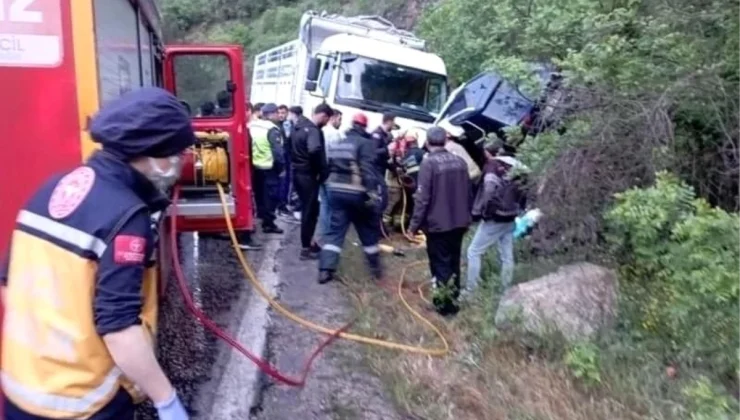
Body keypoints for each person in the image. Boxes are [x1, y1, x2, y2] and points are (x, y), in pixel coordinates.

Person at [0, 87, 192, 420]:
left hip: (20, 388)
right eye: (177, 152)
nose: (181, 160)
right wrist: (166, 400)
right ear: (150, 151)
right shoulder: (126, 215)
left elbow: (8, 281)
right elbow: (118, 329)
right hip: (83, 402)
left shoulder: (54, 185)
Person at [408, 126, 472, 316]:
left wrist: (414, 225)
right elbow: (469, 193)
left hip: (438, 224)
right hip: (459, 222)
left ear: (427, 143)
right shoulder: (460, 162)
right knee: (453, 262)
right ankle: (452, 301)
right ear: (445, 141)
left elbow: (423, 198)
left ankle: (444, 307)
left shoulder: (429, 164)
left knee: (440, 264)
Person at [318, 112, 382, 284]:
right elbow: (368, 170)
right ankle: (375, 270)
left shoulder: (340, 142)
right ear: (363, 127)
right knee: (367, 229)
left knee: (335, 231)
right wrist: (372, 193)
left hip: (335, 191)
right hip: (355, 192)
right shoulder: (366, 143)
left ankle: (325, 270)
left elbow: (330, 165)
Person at [466, 143, 528, 294]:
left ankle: (470, 291)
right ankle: (505, 288)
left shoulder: (493, 166)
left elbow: (489, 188)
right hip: (511, 216)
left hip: (496, 217)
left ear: (488, 153)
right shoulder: (519, 166)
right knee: (506, 255)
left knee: (473, 252)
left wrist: (486, 211)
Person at [291, 103, 332, 259]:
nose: (326, 123)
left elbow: (289, 147)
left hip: (297, 173)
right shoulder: (313, 131)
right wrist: (322, 170)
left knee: (309, 209)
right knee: (310, 212)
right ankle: (306, 248)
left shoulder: (298, 127)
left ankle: (310, 243)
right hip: (308, 175)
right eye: (326, 120)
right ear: (323, 115)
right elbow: (314, 149)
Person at [249, 103, 285, 234]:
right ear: (271, 114)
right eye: (276, 113)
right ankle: (268, 223)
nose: (278, 115)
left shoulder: (253, 125)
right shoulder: (272, 129)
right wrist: (281, 168)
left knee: (259, 195)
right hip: (269, 167)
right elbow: (278, 152)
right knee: (271, 197)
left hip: (255, 166)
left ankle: (260, 217)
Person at [316, 108, 344, 244]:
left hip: (321, 173)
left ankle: (321, 236)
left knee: (324, 205)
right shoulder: (335, 134)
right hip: (332, 174)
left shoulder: (321, 131)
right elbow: (338, 156)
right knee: (331, 207)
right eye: (340, 119)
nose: (340, 123)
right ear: (334, 118)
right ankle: (328, 237)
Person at [370, 113, 399, 219]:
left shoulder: (384, 135)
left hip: (380, 170)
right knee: (380, 198)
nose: (394, 125)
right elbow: (373, 153)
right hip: (374, 171)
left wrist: (393, 168)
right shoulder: (377, 134)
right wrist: (387, 149)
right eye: (394, 122)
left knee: (381, 198)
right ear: (389, 121)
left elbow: (383, 159)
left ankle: (376, 223)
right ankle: (374, 223)